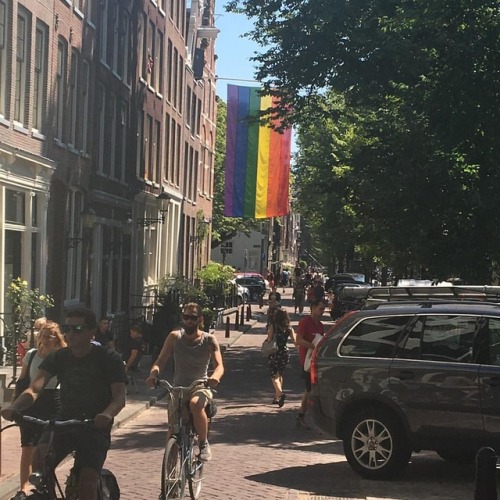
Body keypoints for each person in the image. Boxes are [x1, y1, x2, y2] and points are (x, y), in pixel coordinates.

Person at [1, 307, 126, 500]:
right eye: (67, 328)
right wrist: (14, 407)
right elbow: (35, 388)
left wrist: (107, 414)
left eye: (77, 328)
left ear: (92, 332)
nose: (70, 334)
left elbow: (119, 397)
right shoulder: (58, 357)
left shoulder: (108, 359)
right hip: (64, 420)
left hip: (94, 425)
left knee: (87, 481)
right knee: (39, 459)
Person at [146, 303, 224, 462]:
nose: (188, 321)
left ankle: (203, 444)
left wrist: (215, 377)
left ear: (200, 319)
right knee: (172, 431)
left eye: (193, 318)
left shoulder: (209, 340)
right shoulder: (174, 337)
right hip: (177, 388)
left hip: (200, 386)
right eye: (185, 317)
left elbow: (220, 365)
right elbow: (160, 360)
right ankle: (171, 473)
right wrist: (153, 374)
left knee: (196, 404)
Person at [11, 321, 67, 500]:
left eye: (49, 337)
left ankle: (45, 486)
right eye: (42, 336)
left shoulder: (61, 356)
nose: (45, 340)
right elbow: (22, 380)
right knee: (27, 446)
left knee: (44, 449)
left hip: (52, 401)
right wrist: (14, 404)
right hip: (30, 401)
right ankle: (24, 488)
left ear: (56, 338)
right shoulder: (31, 354)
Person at [295, 299, 329, 428]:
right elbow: (298, 340)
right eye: (320, 309)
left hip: (316, 361)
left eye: (323, 309)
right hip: (306, 362)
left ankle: (304, 415)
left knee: (311, 391)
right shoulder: (305, 322)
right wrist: (312, 347)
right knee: (309, 391)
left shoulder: (320, 325)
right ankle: (303, 415)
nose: (322, 312)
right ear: (313, 308)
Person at [265, 309, 297, 407]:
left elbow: (269, 338)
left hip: (274, 352)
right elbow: (295, 342)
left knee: (274, 376)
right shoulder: (289, 328)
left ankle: (280, 394)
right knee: (279, 374)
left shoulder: (273, 326)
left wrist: (266, 342)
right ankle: (277, 397)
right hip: (284, 353)